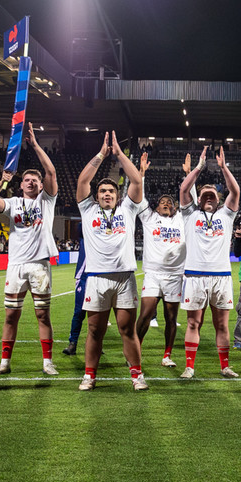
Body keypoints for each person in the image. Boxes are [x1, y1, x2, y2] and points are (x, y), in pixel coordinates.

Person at [75, 131, 149, 391]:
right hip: (96, 277)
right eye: (103, 191)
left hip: (124, 277)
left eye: (111, 191)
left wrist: (119, 154)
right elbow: (82, 181)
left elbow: (136, 181)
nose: (107, 194)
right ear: (97, 196)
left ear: (118, 196)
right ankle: (89, 375)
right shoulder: (88, 209)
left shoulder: (128, 209)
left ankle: (137, 375)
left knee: (127, 330)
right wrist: (101, 155)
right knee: (95, 330)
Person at [0, 133, 61, 377]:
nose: (30, 183)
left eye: (34, 181)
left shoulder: (46, 202)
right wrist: (3, 182)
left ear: (40, 186)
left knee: (42, 315)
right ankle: (4, 364)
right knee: (10, 316)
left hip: (39, 266)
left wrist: (36, 145)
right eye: (26, 180)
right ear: (21, 184)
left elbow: (50, 172)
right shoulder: (14, 203)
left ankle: (48, 362)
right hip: (16, 265)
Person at [177, 145, 241, 379]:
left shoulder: (226, 215)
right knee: (193, 324)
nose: (207, 196)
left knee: (221, 325)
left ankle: (225, 366)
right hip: (194, 276)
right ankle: (190, 367)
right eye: (203, 194)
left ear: (217, 198)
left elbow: (236, 191)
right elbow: (184, 189)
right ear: (199, 198)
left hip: (221, 276)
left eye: (211, 194)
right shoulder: (189, 214)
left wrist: (224, 168)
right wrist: (199, 167)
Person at [136, 163, 188, 369]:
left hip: (175, 275)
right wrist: (141, 175)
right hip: (153, 274)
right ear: (156, 207)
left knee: (171, 318)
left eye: (170, 202)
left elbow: (188, 199)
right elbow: (139, 197)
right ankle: (135, 349)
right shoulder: (149, 218)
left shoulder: (182, 220)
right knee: (146, 314)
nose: (166, 203)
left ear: (175, 207)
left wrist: (187, 175)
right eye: (162, 202)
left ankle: (167, 355)